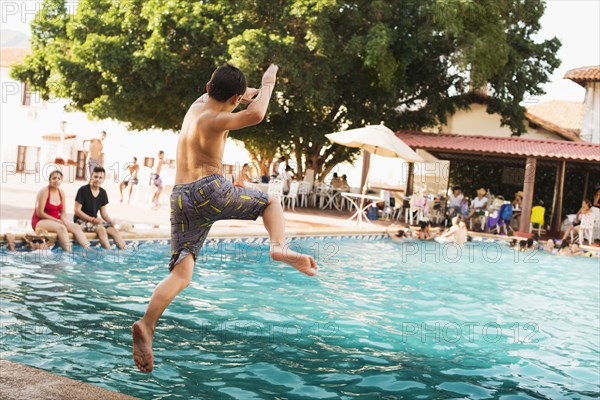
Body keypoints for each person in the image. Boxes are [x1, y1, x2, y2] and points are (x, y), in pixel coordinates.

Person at [132, 63, 318, 373]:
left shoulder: (197, 107)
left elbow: (233, 98)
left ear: (208, 87)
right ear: (234, 99)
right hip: (210, 190)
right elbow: (256, 115)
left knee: (182, 274)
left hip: (181, 196)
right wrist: (268, 84)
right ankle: (278, 246)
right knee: (269, 203)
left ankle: (147, 324)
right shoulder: (217, 120)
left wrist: (245, 94)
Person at [31, 170, 90, 252]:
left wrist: (64, 219)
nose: (56, 180)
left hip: (56, 221)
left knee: (76, 227)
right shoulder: (44, 191)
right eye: (54, 178)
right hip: (40, 221)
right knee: (61, 228)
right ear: (49, 179)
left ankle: (88, 249)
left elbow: (63, 212)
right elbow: (40, 213)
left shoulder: (61, 192)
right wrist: (57, 220)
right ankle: (69, 253)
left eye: (59, 178)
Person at [74, 167, 126, 250]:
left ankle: (125, 252)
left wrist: (110, 221)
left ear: (104, 179)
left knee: (114, 231)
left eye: (100, 177)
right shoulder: (83, 190)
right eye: (95, 177)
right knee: (101, 230)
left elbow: (103, 213)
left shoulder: (103, 193)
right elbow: (77, 211)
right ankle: (109, 253)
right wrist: (92, 220)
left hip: (95, 221)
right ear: (91, 177)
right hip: (81, 221)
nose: (98, 179)